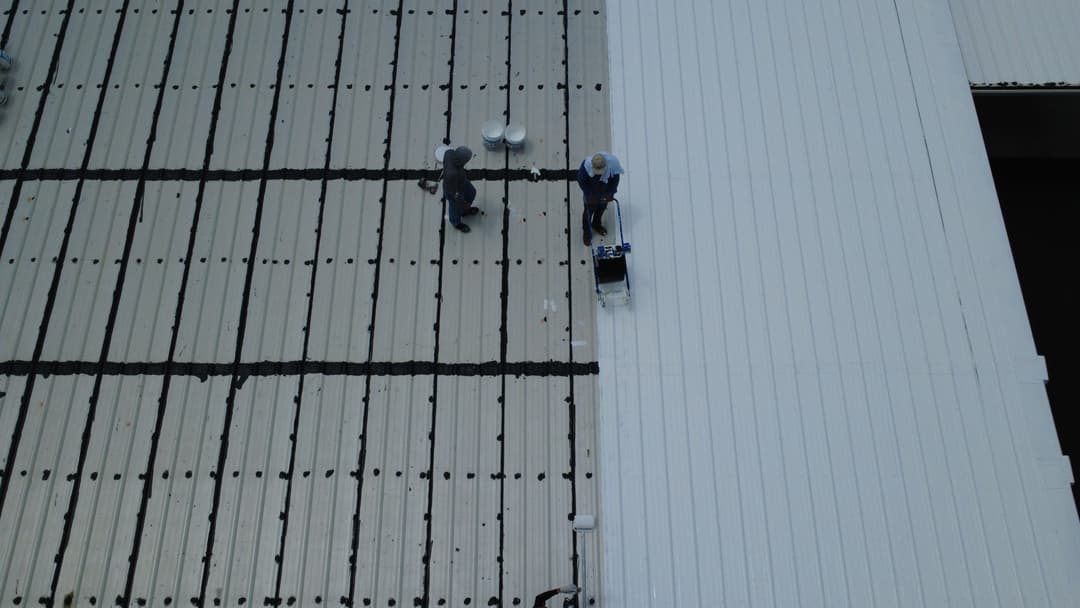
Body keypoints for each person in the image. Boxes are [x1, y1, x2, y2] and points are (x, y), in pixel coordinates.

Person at [577, 151, 623, 245]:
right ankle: (587, 232)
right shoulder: (585, 166)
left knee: (601, 208)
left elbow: (615, 180)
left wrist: (610, 193)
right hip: (591, 193)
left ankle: (596, 224)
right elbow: (582, 182)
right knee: (588, 212)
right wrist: (590, 195)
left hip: (605, 192)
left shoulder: (613, 164)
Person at [441, 145, 480, 233]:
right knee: (455, 207)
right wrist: (464, 203)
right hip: (453, 192)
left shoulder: (449, 153)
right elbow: (456, 195)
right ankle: (456, 222)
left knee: (472, 192)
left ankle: (463, 211)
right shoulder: (452, 174)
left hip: (461, 181)